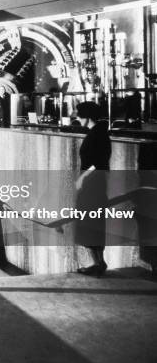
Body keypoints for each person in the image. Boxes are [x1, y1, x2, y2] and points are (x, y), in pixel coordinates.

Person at [74, 101, 111, 276]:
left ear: (87, 117)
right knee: (91, 221)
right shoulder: (98, 132)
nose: (76, 117)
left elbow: (99, 162)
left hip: (93, 185)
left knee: (91, 221)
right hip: (94, 184)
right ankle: (98, 262)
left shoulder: (98, 134)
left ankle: (97, 263)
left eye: (79, 115)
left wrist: (83, 178)